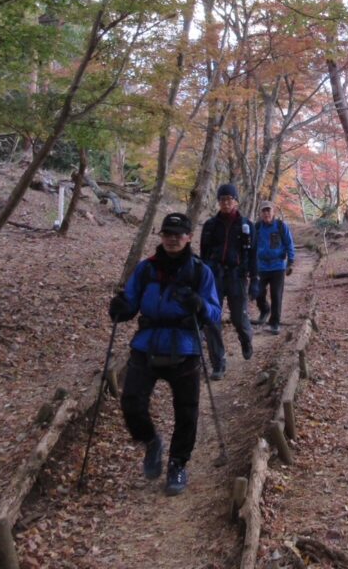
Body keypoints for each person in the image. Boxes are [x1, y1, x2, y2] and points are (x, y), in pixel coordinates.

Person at [108, 212, 220, 496]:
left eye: (178, 234)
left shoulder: (199, 272)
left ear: (188, 237)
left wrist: (200, 306)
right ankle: (151, 441)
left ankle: (178, 465)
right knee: (131, 402)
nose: (172, 238)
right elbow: (130, 303)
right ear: (161, 236)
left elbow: (215, 313)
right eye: (167, 233)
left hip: (185, 347)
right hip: (146, 344)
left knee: (186, 412)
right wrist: (119, 308)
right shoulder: (146, 270)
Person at [200, 183, 257, 368]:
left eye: (229, 199)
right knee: (211, 319)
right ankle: (218, 362)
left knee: (239, 318)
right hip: (214, 277)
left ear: (236, 202)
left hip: (237, 276)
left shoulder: (247, 225)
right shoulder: (210, 225)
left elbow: (254, 254)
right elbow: (203, 254)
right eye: (222, 199)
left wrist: (255, 279)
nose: (225, 203)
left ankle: (246, 339)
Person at [249, 200, 296, 335]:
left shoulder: (281, 226)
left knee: (276, 295)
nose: (266, 213)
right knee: (257, 292)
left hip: (278, 266)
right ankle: (264, 310)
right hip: (261, 266)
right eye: (263, 211)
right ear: (260, 213)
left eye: (268, 210)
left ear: (273, 211)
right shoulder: (256, 228)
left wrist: (291, 262)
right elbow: (251, 248)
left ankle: (274, 323)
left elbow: (289, 244)